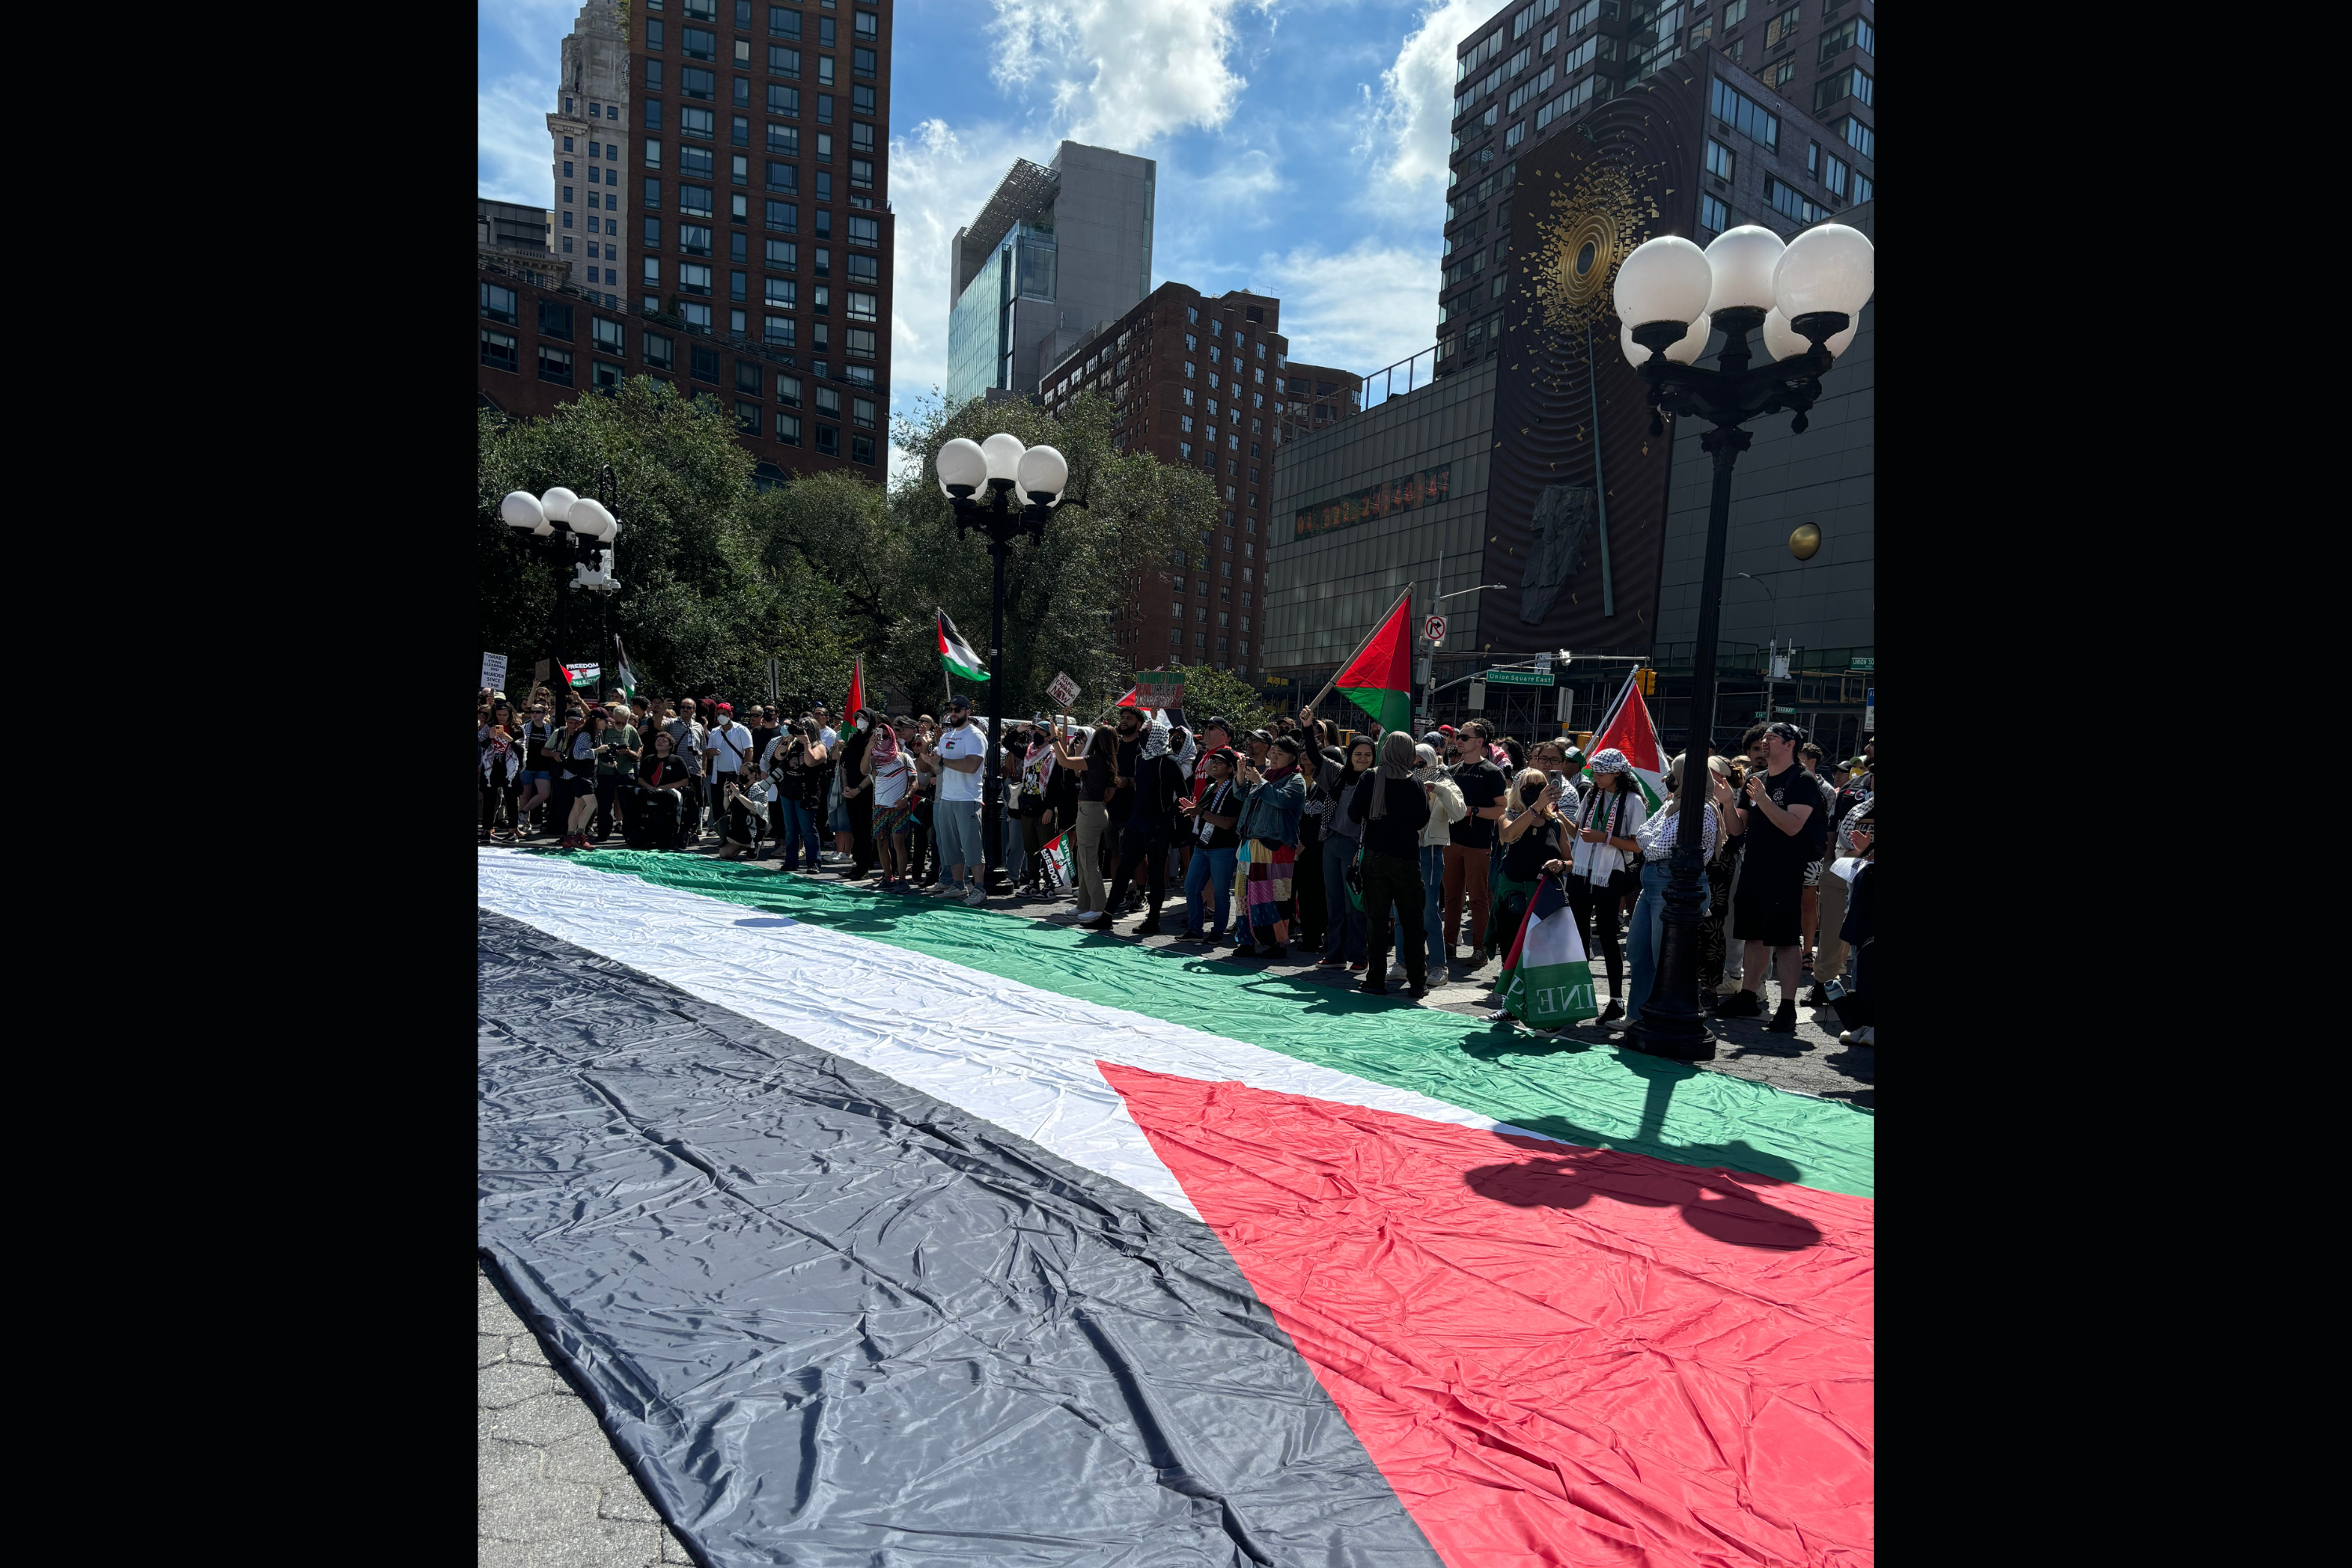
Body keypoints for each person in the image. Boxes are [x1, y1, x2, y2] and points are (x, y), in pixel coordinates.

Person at [1714, 721, 1828, 1033]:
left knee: (1785, 940)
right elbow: (1738, 829)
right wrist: (1726, 802)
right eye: (1764, 738)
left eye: (1773, 738)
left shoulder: (1802, 779)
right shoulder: (1755, 779)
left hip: (1785, 870)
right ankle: (1748, 995)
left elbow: (1794, 825)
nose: (1765, 742)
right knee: (1753, 935)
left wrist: (1764, 799)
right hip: (1754, 867)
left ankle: (1787, 1006)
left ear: (1791, 744)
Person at [1624, 753, 1724, 1026]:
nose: (1669, 779)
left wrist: (1649, 840)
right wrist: (1649, 839)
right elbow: (1643, 833)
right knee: (1638, 951)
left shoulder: (1702, 808)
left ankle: (1664, 1019)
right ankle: (1635, 1015)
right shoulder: (1673, 803)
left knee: (1664, 955)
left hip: (1672, 883)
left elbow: (1658, 847)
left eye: (1674, 774)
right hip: (1653, 883)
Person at [1562, 747, 1647, 1023]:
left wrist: (1605, 838)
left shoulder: (1633, 801)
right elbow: (1579, 833)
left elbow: (1637, 845)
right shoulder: (1592, 794)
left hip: (1610, 873)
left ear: (1618, 773)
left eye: (1602, 772)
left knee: (1609, 936)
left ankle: (1615, 1000)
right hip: (1582, 870)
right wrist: (1557, 815)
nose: (1596, 776)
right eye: (1594, 771)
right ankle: (1576, 997)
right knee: (1578, 936)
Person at [1349, 731, 1434, 998]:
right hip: (1407, 859)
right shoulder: (1415, 782)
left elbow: (1353, 813)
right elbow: (1422, 820)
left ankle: (1375, 980)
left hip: (1375, 858)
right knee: (1412, 921)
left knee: (1376, 920)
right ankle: (1417, 982)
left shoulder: (1371, 777)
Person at [1228, 734, 1307, 960]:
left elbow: (1280, 800)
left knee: (1273, 896)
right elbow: (1240, 795)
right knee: (1243, 895)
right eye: (1273, 752)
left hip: (1275, 847)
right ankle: (1246, 941)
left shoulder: (1295, 780)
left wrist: (1259, 782)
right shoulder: (1265, 776)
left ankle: (1277, 943)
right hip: (1249, 843)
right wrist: (1242, 775)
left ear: (1292, 759)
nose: (1273, 756)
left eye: (1280, 754)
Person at [1441, 722, 1508, 971]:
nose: (1459, 740)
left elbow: (1503, 809)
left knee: (1478, 899)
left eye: (1464, 737)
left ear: (1480, 741)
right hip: (1452, 840)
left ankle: (1481, 949)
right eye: (1458, 736)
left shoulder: (1491, 772)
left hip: (1479, 844)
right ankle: (1449, 944)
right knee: (1451, 897)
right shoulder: (1453, 769)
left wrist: (1474, 811)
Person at [1315, 735, 1377, 971]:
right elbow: (1314, 756)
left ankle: (1359, 955)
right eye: (1358, 754)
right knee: (1334, 901)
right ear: (1349, 755)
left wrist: (1362, 849)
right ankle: (1335, 953)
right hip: (1331, 842)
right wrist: (1309, 727)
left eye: (1368, 754)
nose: (1363, 758)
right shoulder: (1338, 774)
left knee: (1355, 902)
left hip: (1356, 846)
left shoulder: (1376, 779)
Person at [1493, 768, 1566, 964]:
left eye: (1543, 786)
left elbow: (1570, 862)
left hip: (1544, 898)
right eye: (1530, 787)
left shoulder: (1556, 823)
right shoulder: (1507, 818)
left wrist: (1560, 864)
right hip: (1514, 898)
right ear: (1518, 790)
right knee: (1511, 951)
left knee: (1540, 955)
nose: (1538, 791)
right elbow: (1509, 835)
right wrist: (1536, 807)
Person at [1178, 746, 1243, 942]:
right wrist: (1194, 814)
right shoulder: (1209, 787)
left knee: (1221, 892)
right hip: (1203, 846)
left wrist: (1200, 813)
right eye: (1212, 761)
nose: (1213, 764)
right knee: (1191, 887)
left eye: (1219, 762)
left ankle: (1217, 932)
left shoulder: (1234, 790)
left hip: (1223, 847)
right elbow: (1203, 819)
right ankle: (1195, 929)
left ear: (1231, 769)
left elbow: (1227, 823)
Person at [929, 693, 988, 904]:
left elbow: (972, 765)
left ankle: (979, 888)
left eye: (957, 710)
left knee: (971, 845)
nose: (952, 714)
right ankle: (957, 885)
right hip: (947, 797)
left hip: (968, 797)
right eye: (950, 710)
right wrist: (931, 760)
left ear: (967, 712)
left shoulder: (975, 735)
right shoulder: (946, 737)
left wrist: (942, 762)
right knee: (950, 845)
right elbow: (938, 768)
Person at [1055, 718, 1116, 918]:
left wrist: (1054, 740)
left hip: (1089, 811)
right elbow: (1108, 791)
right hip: (1097, 810)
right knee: (1084, 860)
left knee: (1089, 861)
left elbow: (1064, 762)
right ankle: (1084, 904)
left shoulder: (1095, 759)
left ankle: (1098, 907)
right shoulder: (1108, 761)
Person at [760, 719, 829, 870]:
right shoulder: (794, 744)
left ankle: (813, 863)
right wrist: (790, 738)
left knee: (808, 829)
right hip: (788, 791)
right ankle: (791, 861)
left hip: (806, 793)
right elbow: (779, 756)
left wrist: (806, 743)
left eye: (804, 729)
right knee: (790, 829)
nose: (801, 731)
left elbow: (811, 762)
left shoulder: (819, 746)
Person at [1832, 813, 1875, 1047]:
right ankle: (1863, 1022)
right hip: (1866, 887)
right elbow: (1844, 854)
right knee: (1863, 963)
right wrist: (1862, 851)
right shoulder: (1862, 809)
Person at [866, 715, 916, 888]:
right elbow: (863, 770)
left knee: (899, 843)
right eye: (879, 736)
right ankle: (888, 877)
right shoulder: (874, 759)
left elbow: (914, 781)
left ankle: (902, 880)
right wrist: (868, 748)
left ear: (893, 737)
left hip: (899, 807)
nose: (883, 740)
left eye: (886, 737)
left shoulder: (903, 758)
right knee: (881, 842)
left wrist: (907, 798)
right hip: (880, 807)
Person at [836, 707, 879, 880]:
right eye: (857, 717)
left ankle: (863, 867)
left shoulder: (874, 740)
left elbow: (874, 770)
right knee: (855, 829)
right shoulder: (854, 738)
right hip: (850, 791)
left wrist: (858, 789)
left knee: (864, 830)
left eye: (863, 717)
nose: (859, 720)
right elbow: (844, 764)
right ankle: (857, 865)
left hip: (866, 791)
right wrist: (846, 787)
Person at [556, 709, 603, 850]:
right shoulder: (586, 734)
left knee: (578, 804)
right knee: (592, 804)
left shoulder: (593, 734)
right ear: (598, 721)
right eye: (606, 721)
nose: (608, 725)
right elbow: (577, 754)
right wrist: (597, 751)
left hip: (576, 773)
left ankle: (569, 838)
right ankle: (580, 837)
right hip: (578, 774)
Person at [593, 700, 640, 842]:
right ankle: (603, 834)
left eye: (623, 723)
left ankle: (629, 834)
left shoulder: (631, 730)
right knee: (605, 805)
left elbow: (638, 753)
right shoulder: (605, 729)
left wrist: (628, 752)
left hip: (625, 771)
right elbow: (596, 749)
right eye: (617, 722)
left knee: (627, 805)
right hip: (606, 771)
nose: (620, 726)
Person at [665, 700, 710, 839]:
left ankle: (695, 828)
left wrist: (703, 769)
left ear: (694, 710)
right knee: (675, 799)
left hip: (695, 768)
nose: (685, 709)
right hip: (676, 769)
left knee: (696, 801)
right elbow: (658, 725)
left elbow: (703, 751)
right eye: (682, 707)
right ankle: (674, 828)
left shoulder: (698, 727)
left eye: (688, 707)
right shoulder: (672, 723)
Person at [479, 702, 521, 842]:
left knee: (511, 798)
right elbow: (482, 745)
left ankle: (512, 831)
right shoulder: (488, 727)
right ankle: (486, 830)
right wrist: (490, 738)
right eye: (499, 715)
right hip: (491, 765)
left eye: (505, 715)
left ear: (510, 714)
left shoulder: (517, 728)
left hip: (510, 766)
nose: (502, 718)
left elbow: (522, 751)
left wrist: (511, 740)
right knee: (489, 798)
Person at [516, 700, 558, 837]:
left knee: (544, 793)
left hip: (543, 767)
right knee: (525, 796)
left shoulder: (550, 728)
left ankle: (522, 813)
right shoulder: (524, 727)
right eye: (532, 712)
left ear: (544, 713)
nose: (534, 714)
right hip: (527, 766)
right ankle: (525, 823)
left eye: (538, 712)